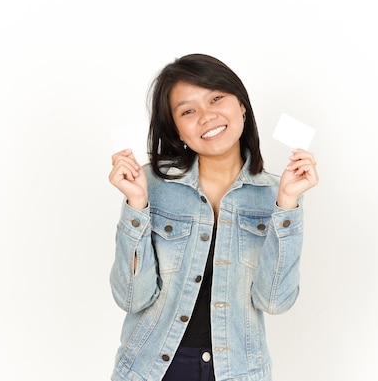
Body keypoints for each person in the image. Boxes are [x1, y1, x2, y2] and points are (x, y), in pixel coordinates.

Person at [108, 54, 318, 381]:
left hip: (237, 372)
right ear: (177, 130)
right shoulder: (149, 185)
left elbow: (274, 301)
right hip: (153, 370)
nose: (207, 116)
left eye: (216, 98)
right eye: (188, 111)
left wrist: (287, 205)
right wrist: (136, 204)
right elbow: (132, 298)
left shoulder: (276, 194)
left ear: (242, 106)